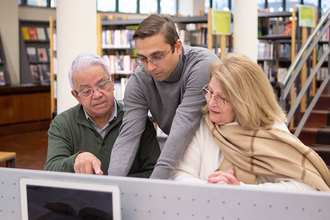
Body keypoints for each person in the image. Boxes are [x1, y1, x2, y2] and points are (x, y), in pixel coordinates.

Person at [171, 53, 330, 191]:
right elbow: (180, 174)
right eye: (210, 92)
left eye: (223, 99)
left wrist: (241, 190)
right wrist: (211, 187)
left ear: (245, 102)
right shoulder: (204, 126)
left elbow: (305, 187)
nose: (211, 103)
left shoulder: (272, 131)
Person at [107, 14, 219, 179]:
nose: (150, 67)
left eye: (157, 56)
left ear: (178, 47)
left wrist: (154, 189)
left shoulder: (202, 65)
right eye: (143, 59)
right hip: (181, 149)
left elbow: (183, 126)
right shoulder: (139, 80)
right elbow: (128, 137)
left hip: (215, 146)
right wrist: (112, 186)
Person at [45, 53, 160, 177]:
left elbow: (154, 172)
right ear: (76, 96)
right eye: (86, 91)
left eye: (102, 84)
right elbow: (51, 169)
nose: (97, 94)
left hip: (128, 195)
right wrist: (75, 160)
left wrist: (114, 185)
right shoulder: (62, 124)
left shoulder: (136, 118)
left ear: (111, 82)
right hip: (84, 195)